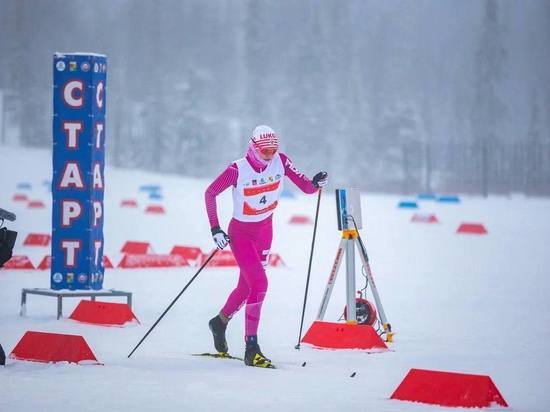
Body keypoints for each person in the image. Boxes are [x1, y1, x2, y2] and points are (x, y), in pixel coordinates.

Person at [204, 125, 328, 368]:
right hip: (240, 234)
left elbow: (306, 187)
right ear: (253, 148)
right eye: (265, 151)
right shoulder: (236, 169)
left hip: (264, 232)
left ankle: (220, 321)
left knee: (247, 285)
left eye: (273, 150)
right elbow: (210, 193)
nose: (270, 155)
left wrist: (315, 183)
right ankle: (252, 347)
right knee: (260, 283)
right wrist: (215, 229)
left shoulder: (281, 161)